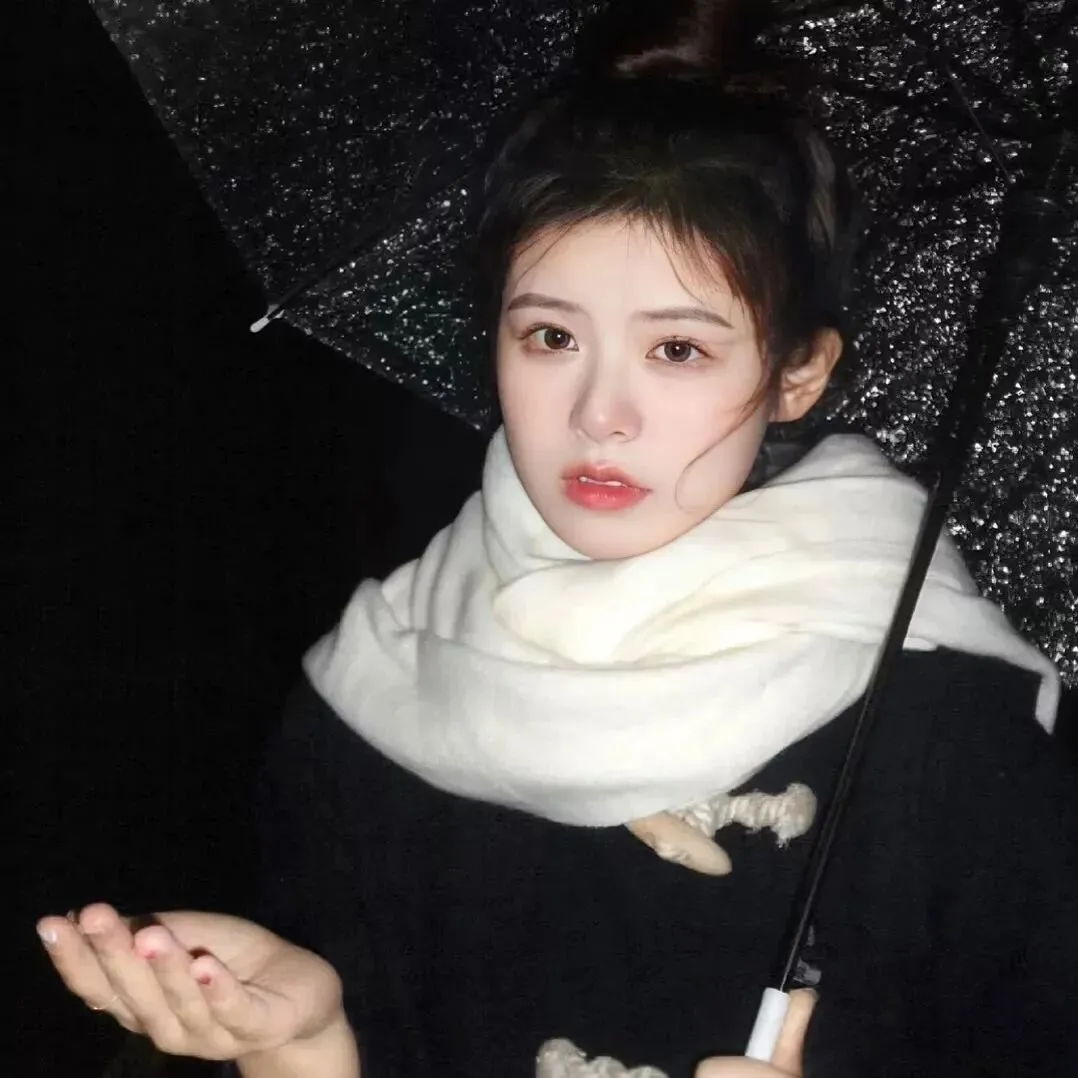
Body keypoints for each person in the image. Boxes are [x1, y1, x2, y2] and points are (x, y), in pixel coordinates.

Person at [38, 2, 1078, 1076]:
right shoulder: (373, 696)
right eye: (549, 335)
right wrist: (304, 1047)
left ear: (797, 374)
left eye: (677, 350)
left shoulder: (943, 730)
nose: (598, 414)